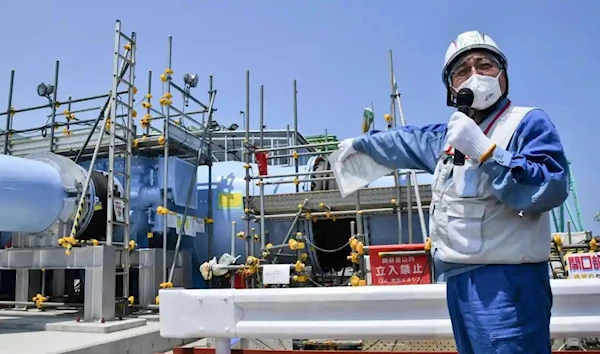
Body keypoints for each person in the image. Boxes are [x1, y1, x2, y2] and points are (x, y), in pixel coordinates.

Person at [337, 30, 569, 353]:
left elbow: (551, 186)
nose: (474, 75)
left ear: (503, 75)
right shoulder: (448, 137)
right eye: (462, 71)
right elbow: (406, 140)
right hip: (458, 285)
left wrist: (485, 151)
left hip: (509, 285)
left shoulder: (526, 123)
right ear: (451, 88)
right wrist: (360, 146)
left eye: (485, 65)